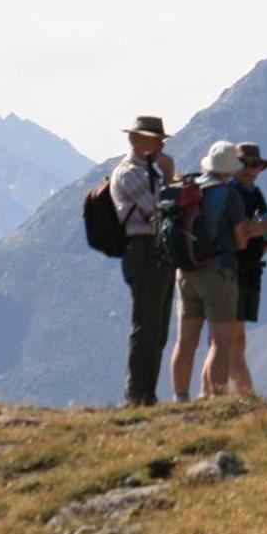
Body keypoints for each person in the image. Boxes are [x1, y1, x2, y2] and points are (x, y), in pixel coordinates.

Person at [170, 141, 267, 400]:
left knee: (185, 341)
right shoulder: (229, 195)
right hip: (218, 272)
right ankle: (216, 397)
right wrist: (257, 228)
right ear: (231, 168)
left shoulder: (189, 187)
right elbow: (240, 241)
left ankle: (180, 396)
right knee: (221, 342)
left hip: (185, 271)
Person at [206, 141, 267, 396]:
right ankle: (240, 395)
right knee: (230, 341)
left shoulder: (254, 194)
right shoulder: (232, 194)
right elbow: (242, 236)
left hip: (249, 270)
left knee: (229, 341)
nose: (250, 169)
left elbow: (266, 237)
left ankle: (211, 393)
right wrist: (265, 228)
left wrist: (265, 235)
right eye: (244, 164)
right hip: (231, 272)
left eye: (255, 165)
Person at [112, 114, 175, 406]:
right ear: (137, 140)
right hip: (142, 248)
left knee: (158, 327)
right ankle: (137, 393)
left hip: (158, 249)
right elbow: (157, 209)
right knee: (146, 325)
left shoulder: (152, 171)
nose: (160, 145)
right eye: (154, 140)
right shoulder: (129, 173)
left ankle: (147, 392)